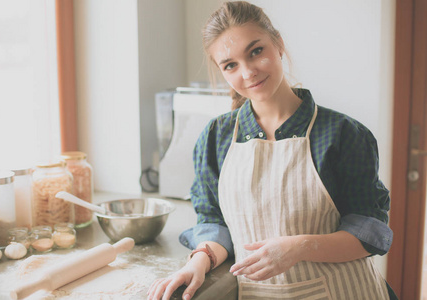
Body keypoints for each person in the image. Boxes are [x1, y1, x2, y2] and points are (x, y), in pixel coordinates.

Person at [148, 1, 397, 299]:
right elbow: (214, 222)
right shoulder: (216, 138)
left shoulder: (341, 134)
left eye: (256, 51)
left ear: (277, 44)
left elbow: (368, 232)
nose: (248, 71)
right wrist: (200, 259)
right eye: (231, 65)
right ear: (222, 72)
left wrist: (299, 247)